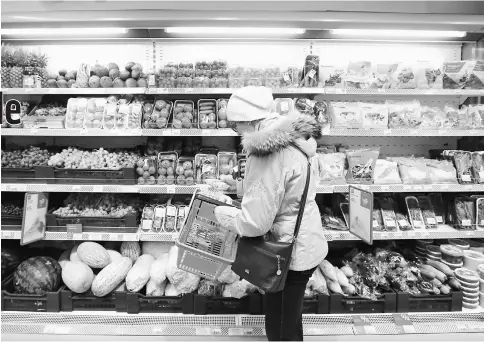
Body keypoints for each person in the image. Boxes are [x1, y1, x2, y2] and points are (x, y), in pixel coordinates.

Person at [213, 86, 328, 341]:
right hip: (305, 236)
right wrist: (242, 187)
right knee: (284, 315)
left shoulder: (267, 151)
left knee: (282, 327)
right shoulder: (296, 138)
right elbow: (291, 187)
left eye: (236, 126)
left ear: (250, 121)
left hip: (287, 250)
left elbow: (255, 223)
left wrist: (222, 214)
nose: (236, 132)